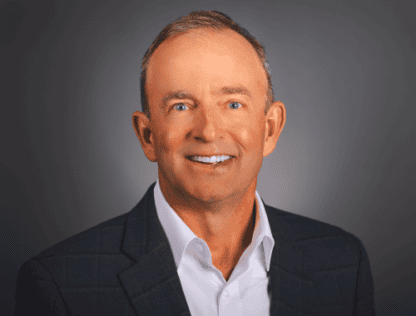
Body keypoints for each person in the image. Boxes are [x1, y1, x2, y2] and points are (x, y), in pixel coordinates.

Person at [15, 10, 376, 315]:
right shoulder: (60, 285)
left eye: (233, 103)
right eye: (181, 106)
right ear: (148, 136)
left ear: (269, 129)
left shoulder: (343, 263)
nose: (208, 130)